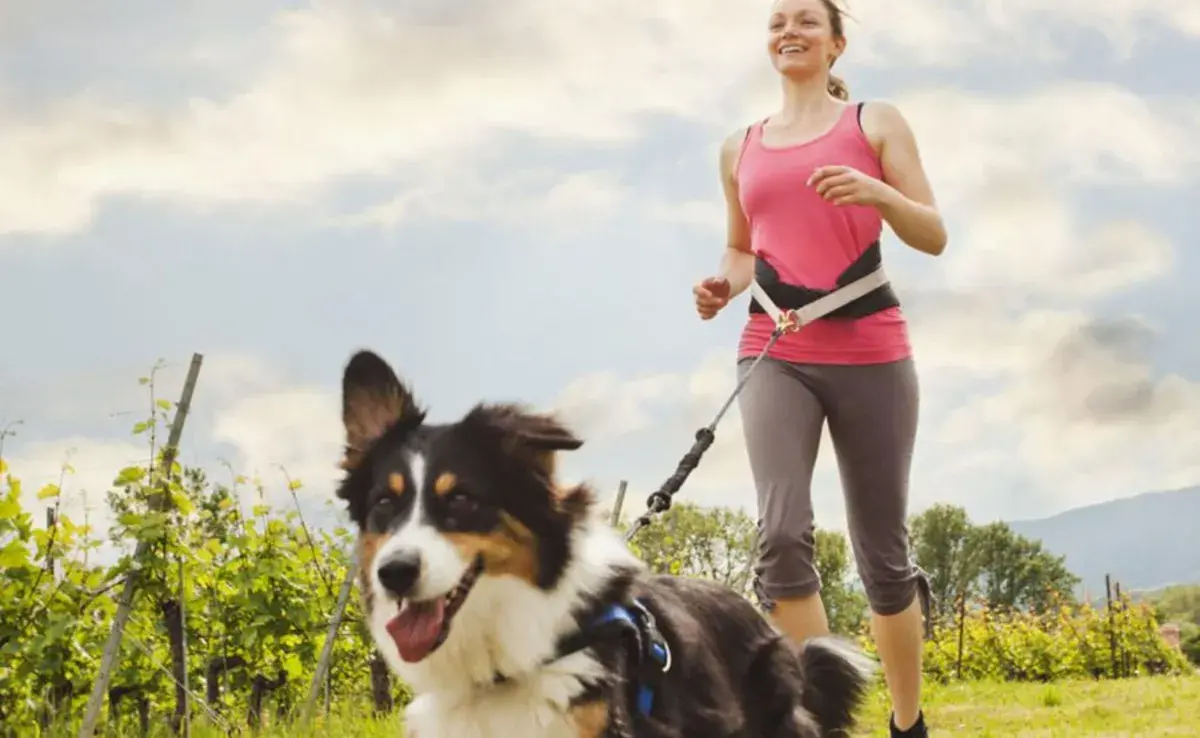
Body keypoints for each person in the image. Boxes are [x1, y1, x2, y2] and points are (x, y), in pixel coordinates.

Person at [691, 0, 947, 736]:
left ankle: (907, 724)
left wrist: (878, 192)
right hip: (777, 348)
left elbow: (932, 232)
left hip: (872, 349)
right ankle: (820, 724)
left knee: (884, 558)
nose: (789, 31)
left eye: (806, 20)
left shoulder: (875, 122)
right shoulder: (738, 147)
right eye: (777, 21)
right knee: (779, 537)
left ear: (836, 43)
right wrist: (723, 283)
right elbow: (743, 248)